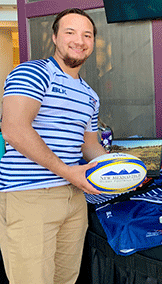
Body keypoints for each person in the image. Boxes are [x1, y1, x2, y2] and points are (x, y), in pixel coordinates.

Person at [0, 8, 107, 283]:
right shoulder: (33, 72)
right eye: (70, 32)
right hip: (30, 194)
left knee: (65, 279)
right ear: (55, 38)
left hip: (73, 196)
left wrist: (121, 170)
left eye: (87, 35)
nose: (79, 40)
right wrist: (68, 171)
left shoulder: (89, 95)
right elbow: (14, 130)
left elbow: (90, 146)